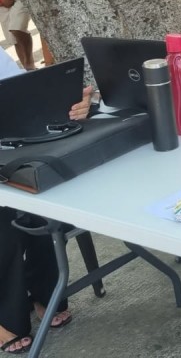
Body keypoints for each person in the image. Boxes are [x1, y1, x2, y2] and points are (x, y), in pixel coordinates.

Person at [0, 51, 92, 354]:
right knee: (4, 223)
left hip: (9, 149)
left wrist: (70, 107)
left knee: (44, 200)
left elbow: (22, 98)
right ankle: (8, 315)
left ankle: (44, 292)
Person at [0, 0, 34, 71]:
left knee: (17, 27)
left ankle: (29, 62)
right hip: (2, 5)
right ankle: (26, 68)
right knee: (13, 38)